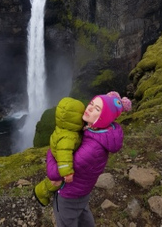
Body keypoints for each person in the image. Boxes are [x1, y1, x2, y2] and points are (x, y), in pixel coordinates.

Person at [46, 91, 132, 227]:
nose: (90, 108)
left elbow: (54, 172)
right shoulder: (97, 131)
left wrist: (51, 150)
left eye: (97, 109)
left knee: (65, 221)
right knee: (82, 214)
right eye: (91, 103)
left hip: (70, 193)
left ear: (104, 116)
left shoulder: (92, 148)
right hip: (82, 189)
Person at [34, 97, 85, 206]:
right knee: (56, 182)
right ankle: (41, 192)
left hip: (55, 152)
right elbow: (64, 153)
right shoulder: (68, 137)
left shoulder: (62, 127)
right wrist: (67, 172)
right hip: (60, 158)